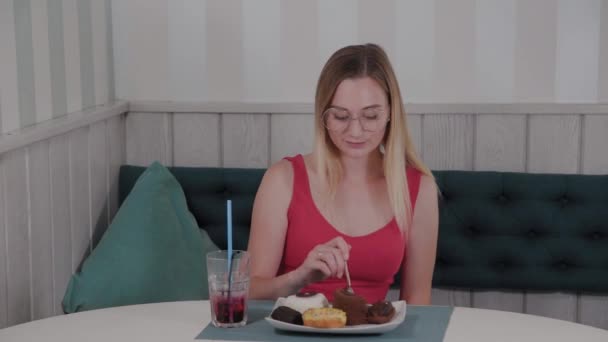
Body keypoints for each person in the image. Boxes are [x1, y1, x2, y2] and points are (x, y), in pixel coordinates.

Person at [247, 43, 438, 305]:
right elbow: (250, 290)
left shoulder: (419, 189)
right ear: (322, 116)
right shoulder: (282, 179)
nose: (355, 132)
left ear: (391, 113)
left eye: (370, 116)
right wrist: (298, 278)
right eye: (340, 116)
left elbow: (417, 300)